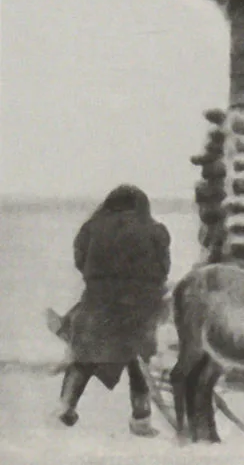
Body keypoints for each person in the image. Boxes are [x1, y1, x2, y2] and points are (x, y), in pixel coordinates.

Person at [56, 184, 171, 437]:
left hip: (98, 305)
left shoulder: (91, 228)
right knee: (139, 362)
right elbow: (163, 268)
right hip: (139, 309)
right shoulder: (155, 231)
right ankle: (141, 419)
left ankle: (66, 405)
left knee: (83, 356)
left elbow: (80, 259)